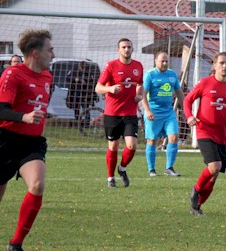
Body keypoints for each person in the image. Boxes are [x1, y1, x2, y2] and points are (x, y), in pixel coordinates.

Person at [0, 30, 54, 251]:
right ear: (36, 52)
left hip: (31, 143)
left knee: (38, 184)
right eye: (49, 49)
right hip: (5, 140)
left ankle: (16, 244)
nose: (52, 54)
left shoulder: (48, 77)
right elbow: (1, 110)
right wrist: (24, 116)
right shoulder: (12, 74)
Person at [183, 52, 226, 216]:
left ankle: (196, 207)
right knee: (214, 166)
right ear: (214, 65)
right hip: (204, 130)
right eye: (221, 63)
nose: (224, 66)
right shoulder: (205, 83)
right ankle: (196, 190)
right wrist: (190, 116)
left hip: (222, 135)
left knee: (214, 175)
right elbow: (187, 100)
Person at [95, 38, 144, 188]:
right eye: (123, 47)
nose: (126, 49)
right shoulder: (111, 66)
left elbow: (140, 84)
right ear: (118, 50)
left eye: (129, 47)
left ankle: (122, 169)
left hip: (129, 113)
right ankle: (110, 178)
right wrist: (110, 89)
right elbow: (98, 87)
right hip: (112, 113)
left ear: (132, 49)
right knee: (114, 146)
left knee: (132, 145)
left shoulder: (138, 66)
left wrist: (139, 95)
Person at [140, 52, 185, 177]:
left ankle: (169, 168)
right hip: (153, 112)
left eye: (166, 61)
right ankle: (151, 169)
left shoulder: (172, 75)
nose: (165, 63)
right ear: (156, 61)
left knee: (174, 137)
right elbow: (142, 94)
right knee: (152, 140)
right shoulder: (150, 75)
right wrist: (148, 110)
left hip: (169, 112)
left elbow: (179, 93)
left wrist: (186, 109)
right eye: (162, 61)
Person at [66, 61, 97, 135]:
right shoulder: (74, 71)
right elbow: (67, 78)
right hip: (75, 94)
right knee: (76, 109)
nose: (83, 69)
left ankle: (87, 124)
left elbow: (93, 83)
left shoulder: (89, 74)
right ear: (79, 67)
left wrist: (91, 93)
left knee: (86, 108)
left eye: (84, 68)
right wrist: (77, 79)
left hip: (85, 94)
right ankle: (77, 122)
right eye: (82, 67)